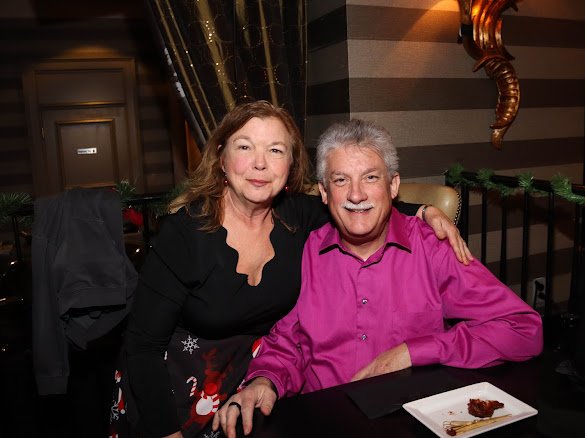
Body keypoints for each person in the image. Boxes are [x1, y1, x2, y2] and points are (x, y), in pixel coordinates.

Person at [110, 102, 470, 438]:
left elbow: (359, 203)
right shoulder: (185, 234)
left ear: (290, 165)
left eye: (275, 150)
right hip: (171, 386)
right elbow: (142, 346)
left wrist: (425, 211)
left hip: (254, 383)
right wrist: (167, 432)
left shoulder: (298, 217)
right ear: (221, 157)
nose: (260, 164)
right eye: (245, 147)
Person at [213, 119, 543, 438]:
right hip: (326, 422)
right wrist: (264, 381)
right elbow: (287, 345)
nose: (356, 195)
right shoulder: (305, 251)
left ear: (393, 186)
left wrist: (412, 352)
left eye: (370, 177)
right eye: (341, 180)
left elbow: (522, 329)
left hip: (413, 423)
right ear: (324, 193)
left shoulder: (433, 248)